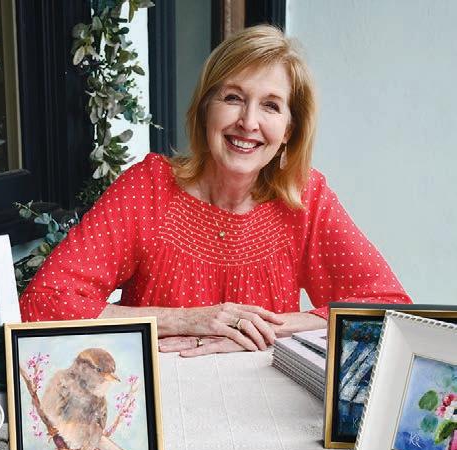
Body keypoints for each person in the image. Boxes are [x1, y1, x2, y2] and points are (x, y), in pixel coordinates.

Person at [20, 25, 410, 356]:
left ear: (289, 130)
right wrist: (184, 320)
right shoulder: (149, 188)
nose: (249, 122)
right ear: (206, 108)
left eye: (271, 106)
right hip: (163, 402)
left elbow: (388, 311)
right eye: (233, 98)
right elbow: (42, 306)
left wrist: (262, 327)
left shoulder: (304, 197)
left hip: (267, 405)